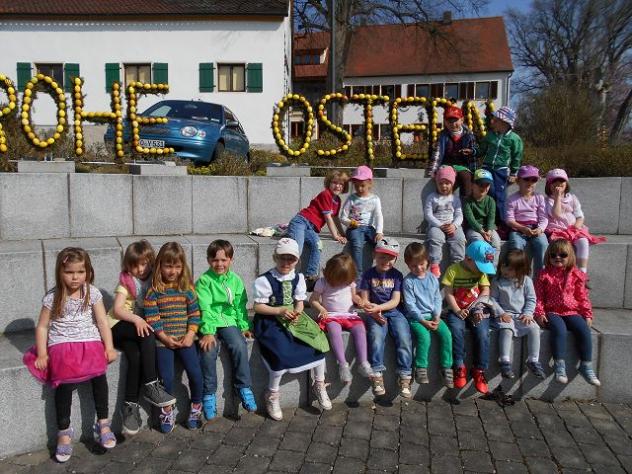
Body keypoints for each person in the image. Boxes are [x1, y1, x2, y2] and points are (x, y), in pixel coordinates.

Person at [24, 248, 117, 462]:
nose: (75, 277)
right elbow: (43, 327)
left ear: (88, 271)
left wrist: (109, 346)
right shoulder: (53, 296)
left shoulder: (92, 292)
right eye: (69, 272)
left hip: (89, 340)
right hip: (62, 342)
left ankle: (103, 423)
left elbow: (102, 322)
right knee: (63, 382)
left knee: (99, 375)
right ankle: (64, 432)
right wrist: (42, 352)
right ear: (60, 272)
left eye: (80, 272)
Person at [253, 238, 332, 421]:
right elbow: (258, 307)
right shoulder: (265, 280)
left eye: (291, 259)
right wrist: (279, 310)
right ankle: (272, 394)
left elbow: (299, 303)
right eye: (283, 258)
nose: (287, 262)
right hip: (270, 319)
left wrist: (297, 312)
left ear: (297, 260)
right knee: (280, 353)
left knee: (318, 341)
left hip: (292, 317)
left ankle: (319, 384)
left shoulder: (298, 278)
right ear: (275, 257)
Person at [110, 240, 175, 435]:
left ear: (151, 262)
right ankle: (151, 385)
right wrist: (137, 319)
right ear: (128, 266)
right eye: (135, 265)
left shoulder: (155, 280)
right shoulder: (126, 282)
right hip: (118, 326)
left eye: (144, 264)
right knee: (147, 332)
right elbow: (118, 310)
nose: (140, 269)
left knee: (135, 356)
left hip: (134, 333)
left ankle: (129, 406)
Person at [144, 242, 204, 433]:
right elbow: (153, 318)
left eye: (177, 266)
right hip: (164, 342)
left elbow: (195, 314)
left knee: (195, 374)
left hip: (186, 339)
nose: (173, 271)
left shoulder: (187, 288)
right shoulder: (154, 291)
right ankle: (166, 410)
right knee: (167, 378)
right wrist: (163, 337)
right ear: (160, 265)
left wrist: (190, 334)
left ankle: (196, 407)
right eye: (168, 266)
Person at [195, 239, 257, 421]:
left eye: (224, 260)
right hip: (209, 322)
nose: (219, 264)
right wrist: (207, 331)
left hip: (229, 321)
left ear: (231, 260)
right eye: (215, 260)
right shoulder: (204, 281)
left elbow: (240, 306)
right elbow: (204, 308)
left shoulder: (236, 280)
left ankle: (243, 387)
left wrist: (244, 326)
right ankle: (208, 394)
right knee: (208, 350)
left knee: (239, 344)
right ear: (208, 260)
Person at [534, 240, 600, 386]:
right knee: (559, 330)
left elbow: (582, 296)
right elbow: (538, 296)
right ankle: (559, 364)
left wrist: (587, 314)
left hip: (571, 310)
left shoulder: (576, 274)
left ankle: (586, 365)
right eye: (553, 255)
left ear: (570, 256)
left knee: (583, 329)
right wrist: (539, 312)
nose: (558, 257)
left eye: (563, 255)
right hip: (552, 311)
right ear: (548, 256)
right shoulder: (544, 274)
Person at [359, 237, 414, 398]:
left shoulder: (397, 275)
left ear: (396, 258)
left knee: (404, 337)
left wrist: (379, 308)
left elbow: (396, 300)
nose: (386, 261)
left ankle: (405, 375)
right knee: (376, 336)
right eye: (382, 256)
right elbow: (364, 300)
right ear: (375, 255)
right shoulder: (368, 275)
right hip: (373, 312)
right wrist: (374, 311)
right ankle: (377, 374)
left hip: (394, 311)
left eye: (391, 257)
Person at [309, 253, 372, 384]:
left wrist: (359, 300)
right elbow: (313, 300)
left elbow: (354, 296)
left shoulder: (349, 282)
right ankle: (343, 364)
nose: (340, 284)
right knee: (334, 330)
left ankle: (363, 362)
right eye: (338, 281)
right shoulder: (322, 282)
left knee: (360, 329)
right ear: (329, 274)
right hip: (331, 315)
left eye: (344, 281)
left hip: (349, 314)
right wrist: (321, 309)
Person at [442, 240, 495, 394]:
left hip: (476, 310)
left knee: (483, 334)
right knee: (456, 330)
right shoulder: (453, 270)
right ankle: (459, 366)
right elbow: (448, 292)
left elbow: (485, 291)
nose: (481, 271)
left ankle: (479, 369)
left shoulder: (481, 273)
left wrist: (477, 308)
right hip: (456, 309)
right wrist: (458, 310)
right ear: (468, 258)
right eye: (480, 266)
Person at [402, 242, 453, 388]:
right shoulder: (408, 282)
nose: (418, 268)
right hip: (416, 319)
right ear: (407, 265)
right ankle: (421, 368)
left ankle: (446, 367)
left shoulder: (432, 278)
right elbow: (410, 305)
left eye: (421, 264)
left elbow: (437, 298)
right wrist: (423, 321)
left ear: (427, 262)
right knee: (424, 337)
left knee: (446, 335)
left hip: (433, 315)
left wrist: (437, 315)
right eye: (413, 266)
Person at [286, 170, 349, 288]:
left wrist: (342, 234)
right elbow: (328, 217)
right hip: (301, 221)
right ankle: (286, 276)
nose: (338, 186)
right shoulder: (326, 194)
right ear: (328, 183)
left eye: (341, 184)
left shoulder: (337, 201)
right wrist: (335, 235)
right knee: (297, 249)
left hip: (311, 229)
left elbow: (335, 218)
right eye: (334, 182)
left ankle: (310, 276)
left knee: (318, 244)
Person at [490, 250, 544, 379]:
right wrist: (501, 313)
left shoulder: (526, 281)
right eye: (504, 266)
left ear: (520, 270)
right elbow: (492, 299)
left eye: (510, 269)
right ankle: (504, 360)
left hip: (521, 315)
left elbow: (531, 299)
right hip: (505, 315)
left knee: (534, 328)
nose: (505, 271)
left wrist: (528, 313)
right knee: (506, 329)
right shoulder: (497, 281)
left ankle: (533, 360)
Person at [544, 168, 606, 273]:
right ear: (548, 185)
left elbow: (580, 215)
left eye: (561, 181)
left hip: (573, 229)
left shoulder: (572, 198)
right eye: (554, 181)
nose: (558, 184)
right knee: (561, 247)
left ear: (566, 183)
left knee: (583, 241)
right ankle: (559, 272)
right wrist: (557, 197)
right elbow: (556, 214)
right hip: (557, 230)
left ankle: (582, 271)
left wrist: (577, 226)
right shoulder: (547, 200)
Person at [479, 106, 524, 223]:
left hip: (501, 170)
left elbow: (516, 156)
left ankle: (501, 222)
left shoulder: (514, 139)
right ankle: (485, 220)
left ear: (504, 123)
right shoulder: (490, 135)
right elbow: (481, 149)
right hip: (486, 168)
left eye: (496, 119)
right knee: (488, 191)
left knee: (500, 196)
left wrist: (514, 173)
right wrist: (473, 152)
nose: (492, 121)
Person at [505, 165, 549, 276]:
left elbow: (544, 218)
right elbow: (509, 219)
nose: (530, 182)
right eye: (526, 179)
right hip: (518, 229)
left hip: (535, 228)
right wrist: (522, 228)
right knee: (516, 246)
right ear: (518, 181)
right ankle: (518, 277)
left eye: (533, 180)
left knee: (543, 244)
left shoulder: (539, 198)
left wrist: (540, 229)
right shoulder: (512, 199)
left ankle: (540, 278)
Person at [340, 165, 384, 275]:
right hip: (354, 228)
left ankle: (381, 268)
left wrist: (379, 231)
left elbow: (379, 215)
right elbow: (342, 216)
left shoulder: (375, 199)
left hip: (369, 228)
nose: (359, 189)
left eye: (362, 186)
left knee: (380, 244)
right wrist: (350, 223)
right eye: (356, 186)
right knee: (357, 244)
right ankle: (358, 274)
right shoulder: (351, 199)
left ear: (370, 183)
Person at [424, 165, 466, 277]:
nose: (444, 186)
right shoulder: (432, 197)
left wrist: (454, 225)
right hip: (436, 225)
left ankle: (457, 265)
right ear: (436, 184)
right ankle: (435, 264)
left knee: (460, 239)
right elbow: (428, 215)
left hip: (452, 224)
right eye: (441, 183)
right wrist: (440, 225)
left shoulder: (455, 199)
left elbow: (459, 215)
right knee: (435, 238)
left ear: (452, 184)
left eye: (447, 183)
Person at [427, 105, 478, 198]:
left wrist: (471, 152)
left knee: (466, 177)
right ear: (445, 122)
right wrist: (433, 169)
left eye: (455, 120)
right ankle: (443, 203)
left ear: (462, 120)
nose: (452, 124)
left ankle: (465, 205)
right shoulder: (443, 135)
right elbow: (437, 153)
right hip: (447, 164)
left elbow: (474, 151)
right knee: (445, 177)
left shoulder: (469, 135)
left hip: (462, 165)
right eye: (449, 121)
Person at [463, 168, 501, 268]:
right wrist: (481, 231)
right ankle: (479, 267)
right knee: (478, 242)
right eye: (481, 184)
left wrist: (488, 231)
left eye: (487, 185)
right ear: (472, 185)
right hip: (473, 228)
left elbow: (491, 218)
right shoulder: (467, 201)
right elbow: (470, 219)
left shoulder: (491, 201)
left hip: (488, 228)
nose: (484, 187)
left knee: (496, 242)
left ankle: (491, 267)